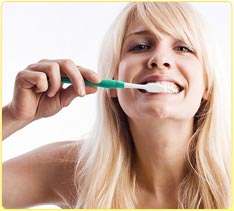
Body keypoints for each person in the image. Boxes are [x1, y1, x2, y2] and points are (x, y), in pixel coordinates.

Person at [2, 2, 231, 209]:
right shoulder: (72, 168)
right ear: (111, 83)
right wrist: (13, 116)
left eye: (183, 48)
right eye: (140, 46)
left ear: (207, 87)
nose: (160, 59)